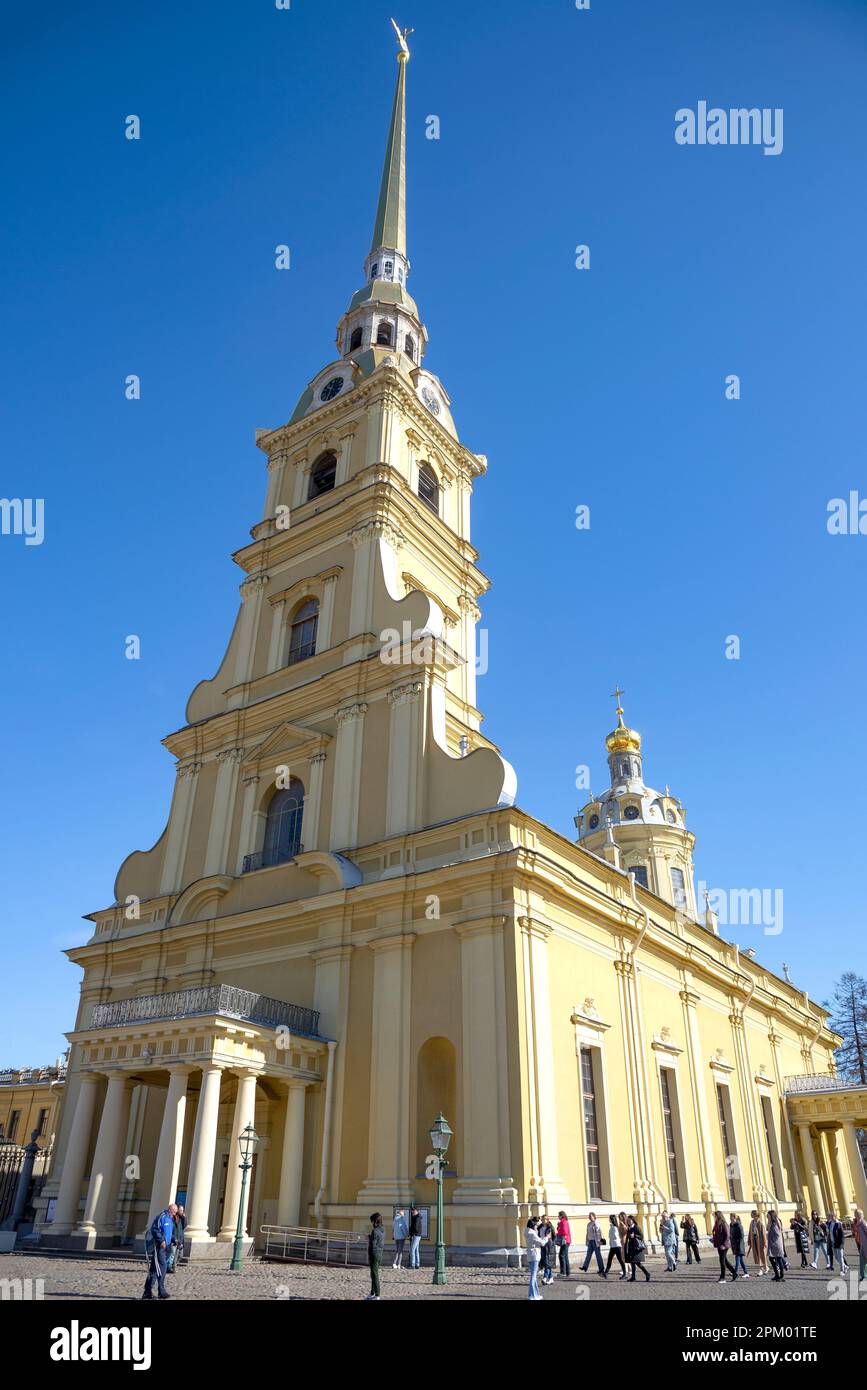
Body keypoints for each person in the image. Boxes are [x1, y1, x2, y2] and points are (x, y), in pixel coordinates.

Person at [142, 1203, 177, 1301]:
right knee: (162, 1268)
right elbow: (154, 1229)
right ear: (170, 1209)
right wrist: (161, 1240)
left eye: (175, 1212)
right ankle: (161, 1291)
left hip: (166, 1248)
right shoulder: (162, 1217)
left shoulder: (170, 1220)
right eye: (174, 1212)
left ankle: (147, 1292)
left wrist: (174, 1240)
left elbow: (169, 1234)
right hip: (159, 1248)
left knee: (153, 1269)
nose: (174, 1214)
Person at [712, 1211, 737, 1284]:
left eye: (715, 1216)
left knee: (722, 1261)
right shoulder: (717, 1224)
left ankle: (722, 1277)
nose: (714, 1217)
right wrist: (714, 1239)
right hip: (719, 1245)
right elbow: (716, 1233)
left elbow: (727, 1235)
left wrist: (723, 1244)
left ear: (718, 1216)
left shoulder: (723, 1224)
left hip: (724, 1245)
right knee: (725, 1260)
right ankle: (734, 1273)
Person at [525, 1217, 547, 1300]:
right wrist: (546, 1238)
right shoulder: (532, 1234)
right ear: (533, 1225)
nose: (536, 1227)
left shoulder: (527, 1231)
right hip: (534, 1255)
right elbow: (542, 1243)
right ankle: (531, 1295)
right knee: (533, 1276)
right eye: (535, 1225)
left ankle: (536, 1294)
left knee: (533, 1275)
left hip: (530, 1255)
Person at [625, 1215, 650, 1282]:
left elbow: (641, 1236)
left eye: (629, 1220)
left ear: (633, 1220)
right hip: (631, 1247)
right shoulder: (629, 1228)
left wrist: (635, 1236)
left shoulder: (636, 1228)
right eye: (627, 1221)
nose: (628, 1222)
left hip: (636, 1247)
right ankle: (633, 1277)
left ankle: (647, 1273)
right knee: (632, 1262)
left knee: (637, 1262)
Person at [581, 1212, 607, 1276]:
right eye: (589, 1216)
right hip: (590, 1241)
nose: (589, 1217)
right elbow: (587, 1233)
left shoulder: (596, 1223)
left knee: (598, 1255)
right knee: (588, 1254)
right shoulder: (589, 1224)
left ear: (594, 1216)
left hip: (596, 1241)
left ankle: (601, 1269)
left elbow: (598, 1232)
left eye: (590, 1216)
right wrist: (586, 1240)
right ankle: (585, 1267)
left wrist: (599, 1241)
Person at [366, 1212, 384, 1299]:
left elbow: (373, 1244)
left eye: (372, 1222)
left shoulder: (375, 1231)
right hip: (380, 1253)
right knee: (373, 1274)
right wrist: (371, 1237)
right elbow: (378, 1239)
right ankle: (372, 1293)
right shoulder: (382, 1229)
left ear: (374, 1221)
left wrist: (369, 1239)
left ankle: (377, 1294)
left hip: (374, 1254)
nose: (372, 1224)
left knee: (375, 1275)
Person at [165, 1203, 186, 1275]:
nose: (181, 1211)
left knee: (180, 1255)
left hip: (180, 1239)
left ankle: (172, 1266)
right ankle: (168, 1267)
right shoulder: (172, 1218)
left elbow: (185, 1225)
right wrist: (173, 1238)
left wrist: (183, 1217)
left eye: (182, 1210)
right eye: (180, 1210)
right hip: (174, 1239)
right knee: (172, 1254)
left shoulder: (181, 1219)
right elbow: (171, 1230)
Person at [747, 1210, 768, 1276]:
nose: (751, 1215)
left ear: (756, 1215)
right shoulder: (752, 1222)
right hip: (754, 1241)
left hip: (760, 1241)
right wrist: (749, 1240)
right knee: (757, 1255)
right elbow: (750, 1231)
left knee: (762, 1255)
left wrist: (764, 1242)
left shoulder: (760, 1223)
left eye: (752, 1214)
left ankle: (763, 1268)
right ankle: (764, 1268)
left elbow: (763, 1233)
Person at [605, 1212, 627, 1277]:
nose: (609, 1220)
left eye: (610, 1219)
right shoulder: (612, 1227)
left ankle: (625, 1273)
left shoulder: (614, 1228)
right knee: (609, 1260)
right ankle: (605, 1273)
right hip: (612, 1246)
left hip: (617, 1246)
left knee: (620, 1260)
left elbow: (616, 1236)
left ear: (612, 1219)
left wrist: (611, 1237)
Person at [767, 1210, 786, 1282]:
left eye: (768, 1216)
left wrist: (770, 1237)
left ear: (772, 1216)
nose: (767, 1217)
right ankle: (777, 1275)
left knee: (779, 1259)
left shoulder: (775, 1224)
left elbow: (777, 1234)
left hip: (776, 1244)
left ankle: (781, 1276)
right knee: (772, 1259)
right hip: (773, 1244)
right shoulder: (771, 1223)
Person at [538, 1212, 555, 1285]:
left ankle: (545, 1278)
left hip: (549, 1246)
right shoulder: (540, 1227)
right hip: (542, 1246)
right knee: (546, 1262)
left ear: (547, 1220)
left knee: (547, 1262)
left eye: (545, 1219)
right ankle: (551, 1278)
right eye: (542, 1219)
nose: (543, 1221)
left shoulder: (549, 1228)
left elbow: (552, 1237)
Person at [730, 1213, 749, 1278]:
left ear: (735, 1218)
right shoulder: (732, 1225)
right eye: (730, 1218)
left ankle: (735, 1272)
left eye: (731, 1218)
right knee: (741, 1260)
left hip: (739, 1245)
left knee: (737, 1259)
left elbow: (742, 1236)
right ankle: (746, 1272)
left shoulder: (739, 1225)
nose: (730, 1220)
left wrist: (736, 1242)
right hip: (735, 1245)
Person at [852, 1208, 867, 1283]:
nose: (856, 1215)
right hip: (861, 1244)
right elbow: (854, 1232)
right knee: (862, 1260)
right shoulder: (857, 1223)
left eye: (858, 1214)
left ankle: (864, 1275)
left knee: (864, 1260)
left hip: (865, 1244)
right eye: (856, 1214)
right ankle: (863, 1275)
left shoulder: (863, 1223)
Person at [556, 1210, 572, 1277]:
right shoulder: (563, 1222)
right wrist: (559, 1227)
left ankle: (563, 1272)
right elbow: (561, 1230)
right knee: (565, 1256)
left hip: (565, 1241)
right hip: (567, 1241)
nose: (558, 1217)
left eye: (559, 1215)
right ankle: (567, 1272)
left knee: (561, 1255)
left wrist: (558, 1233)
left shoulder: (563, 1222)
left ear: (561, 1216)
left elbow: (564, 1232)